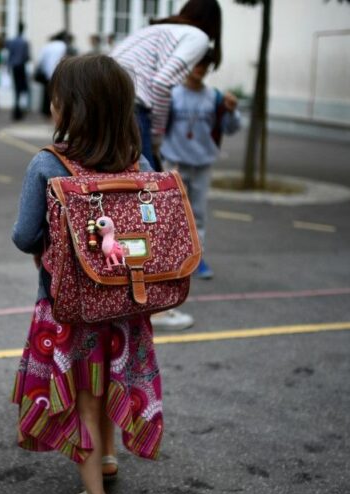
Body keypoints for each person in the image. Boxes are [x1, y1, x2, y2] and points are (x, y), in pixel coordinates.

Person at [11, 54, 161, 494]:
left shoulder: (47, 164)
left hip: (69, 307)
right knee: (112, 379)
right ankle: (110, 458)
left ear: (68, 108)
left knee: (84, 397)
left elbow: (24, 234)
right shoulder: (139, 162)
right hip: (126, 302)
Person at [111, 0, 221, 331]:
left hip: (107, 102)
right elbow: (160, 84)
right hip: (133, 109)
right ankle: (154, 306)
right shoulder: (197, 37)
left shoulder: (155, 30)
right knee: (149, 208)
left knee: (117, 202)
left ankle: (115, 296)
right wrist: (156, 134)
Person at [162, 51, 241, 282]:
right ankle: (170, 258)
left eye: (206, 64)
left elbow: (231, 128)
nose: (201, 69)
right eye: (197, 63)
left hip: (203, 162)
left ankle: (197, 258)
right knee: (172, 212)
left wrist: (232, 110)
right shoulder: (172, 95)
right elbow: (159, 126)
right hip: (174, 160)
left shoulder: (214, 97)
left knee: (198, 214)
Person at [35, 31, 69, 118]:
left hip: (47, 73)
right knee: (57, 94)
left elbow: (40, 60)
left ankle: (46, 112)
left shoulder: (47, 46)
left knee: (46, 94)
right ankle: (57, 112)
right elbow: (64, 58)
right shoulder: (62, 45)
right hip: (59, 72)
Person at [5, 22, 30, 121]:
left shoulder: (12, 41)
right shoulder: (24, 42)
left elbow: (9, 55)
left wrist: (8, 67)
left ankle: (17, 109)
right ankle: (20, 109)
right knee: (22, 88)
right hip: (21, 66)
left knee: (16, 88)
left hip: (14, 67)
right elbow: (26, 56)